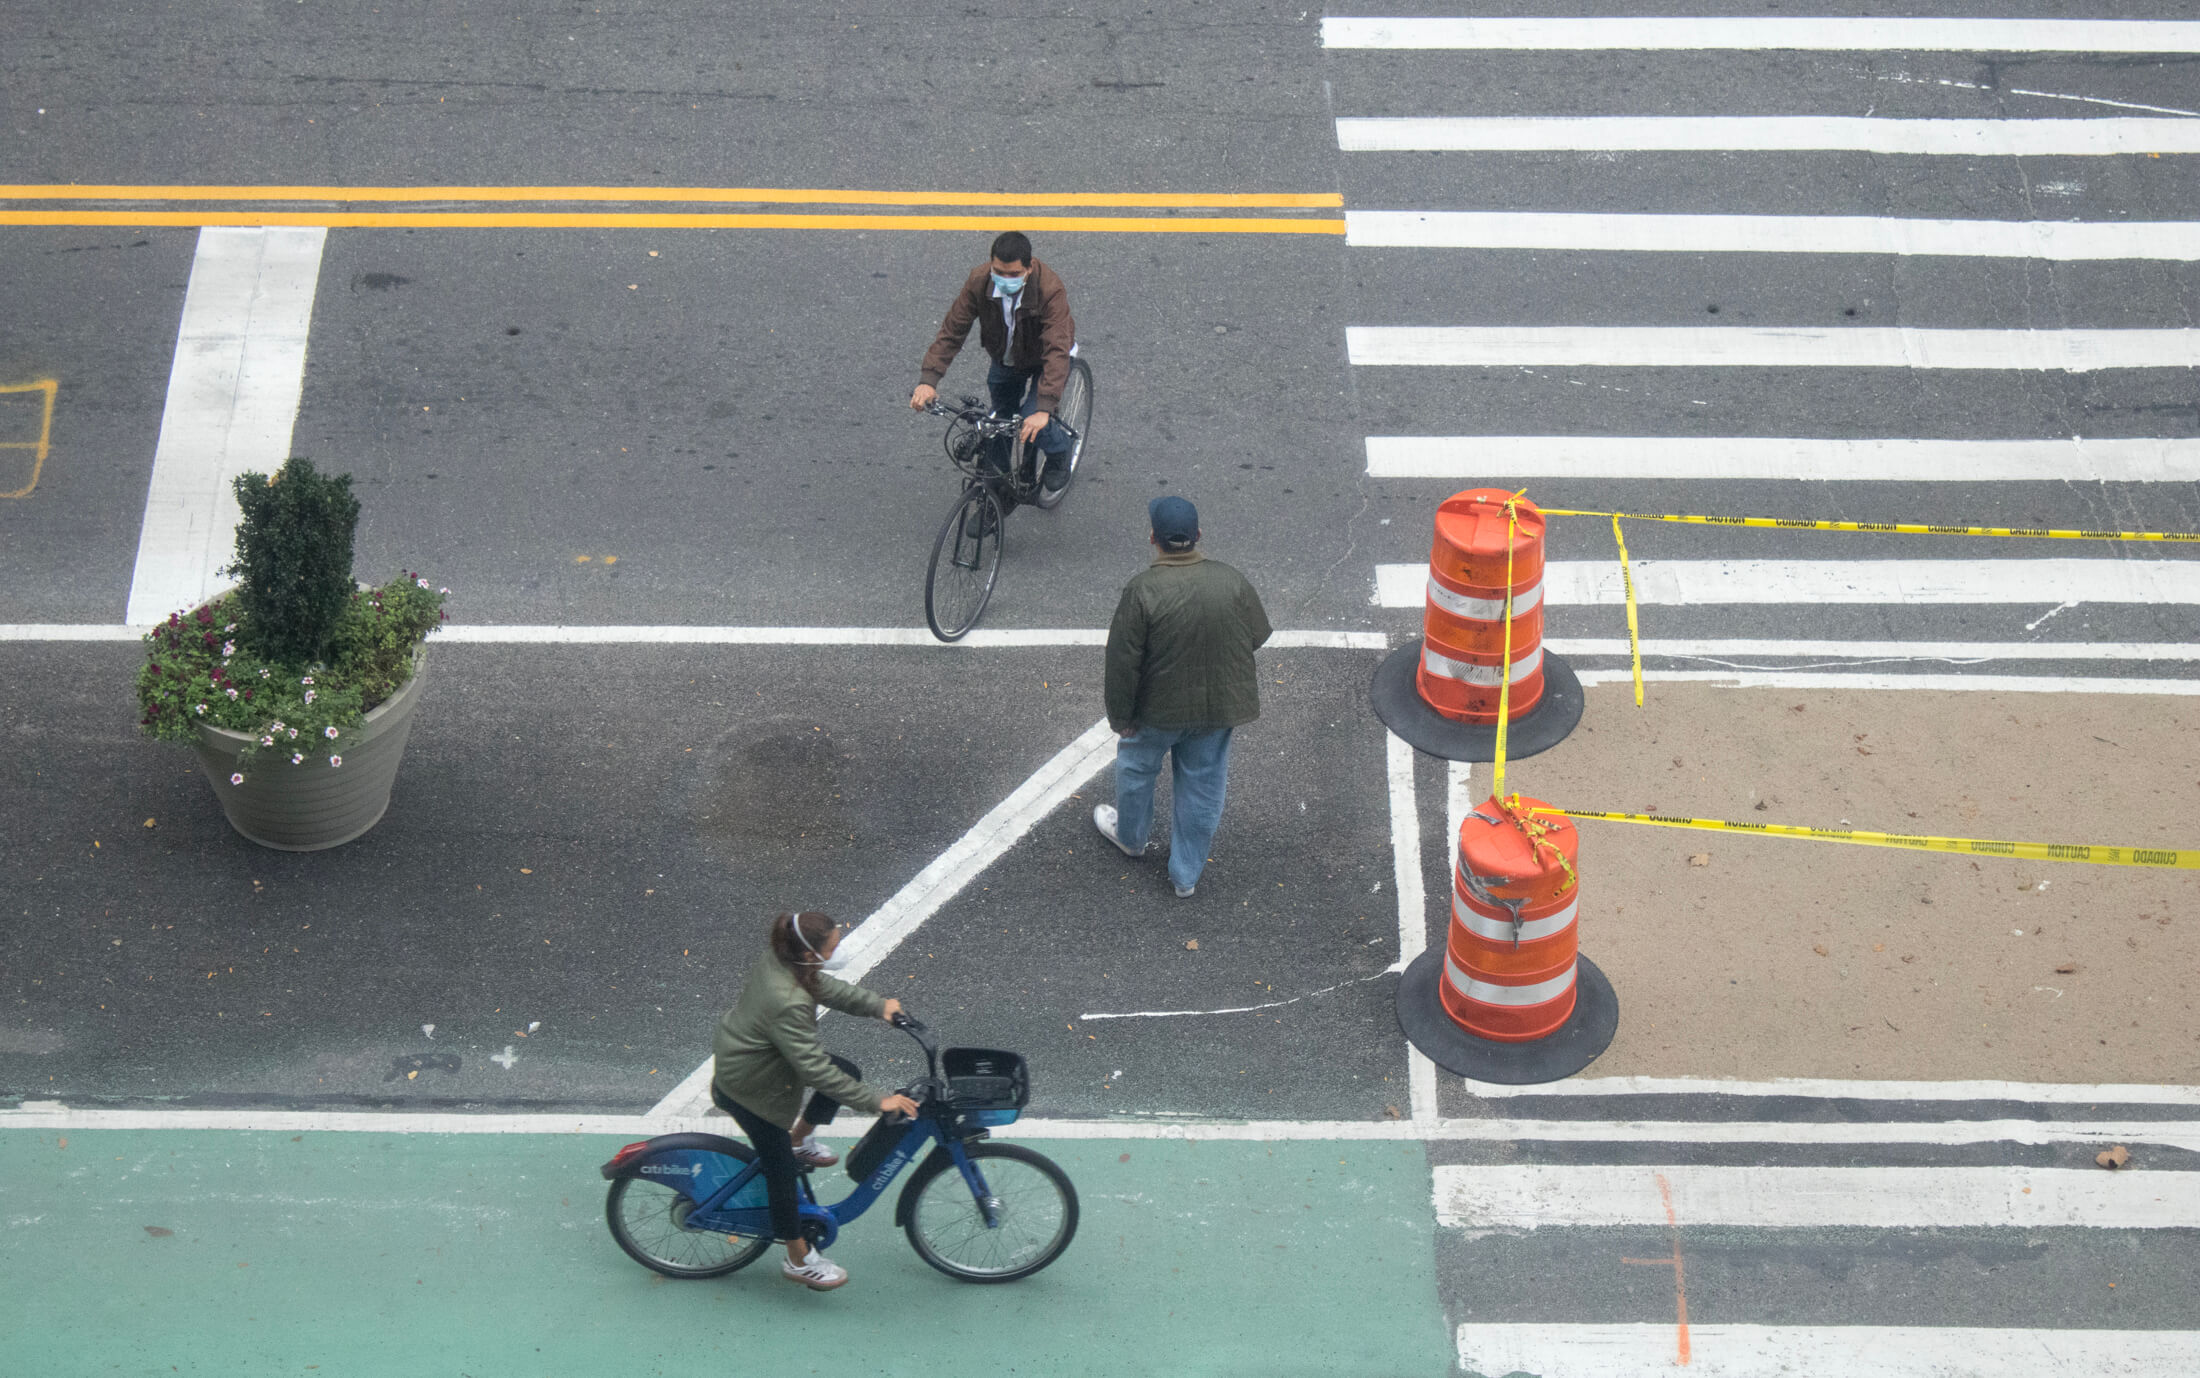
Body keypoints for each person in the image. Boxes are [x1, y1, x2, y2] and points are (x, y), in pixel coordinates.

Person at [711, 911, 921, 1292]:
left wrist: (877, 1006)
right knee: (782, 1176)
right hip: (753, 1090)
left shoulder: (782, 958)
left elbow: (823, 986)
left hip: (752, 1059)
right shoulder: (787, 1001)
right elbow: (816, 1071)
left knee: (847, 1071)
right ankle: (797, 1257)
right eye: (833, 946)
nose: (838, 949)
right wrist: (878, 1102)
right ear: (809, 953)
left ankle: (799, 1139)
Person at [1094, 496, 1272, 898]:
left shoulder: (1142, 590)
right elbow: (1257, 635)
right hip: (1217, 710)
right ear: (1198, 536)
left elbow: (1122, 662)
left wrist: (1120, 715)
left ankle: (1131, 837)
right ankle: (1185, 876)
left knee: (1136, 770)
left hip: (1155, 713)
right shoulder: (1231, 580)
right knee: (1203, 785)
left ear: (1153, 538)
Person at [910, 230, 1078, 509]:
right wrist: (929, 380)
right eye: (999, 272)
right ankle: (997, 499)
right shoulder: (979, 281)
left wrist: (1044, 408)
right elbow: (952, 331)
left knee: (1032, 418)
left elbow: (1057, 351)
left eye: (1013, 274)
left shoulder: (1050, 289)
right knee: (997, 424)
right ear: (991, 265)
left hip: (1045, 359)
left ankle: (1060, 450)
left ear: (1029, 267)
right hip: (1007, 358)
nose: (1006, 279)